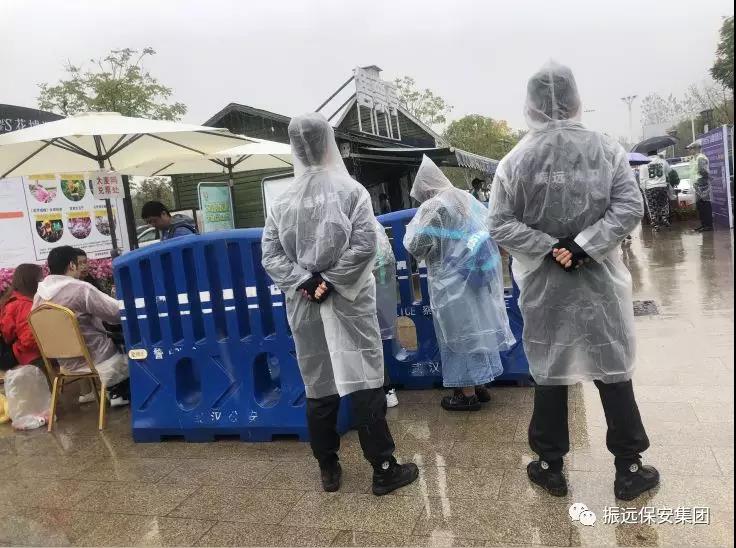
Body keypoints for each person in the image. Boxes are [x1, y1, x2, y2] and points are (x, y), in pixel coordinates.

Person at [487, 61, 658, 501]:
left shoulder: (515, 161)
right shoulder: (606, 150)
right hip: (599, 282)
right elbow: (628, 206)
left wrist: (550, 247)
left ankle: (550, 466)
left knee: (550, 371)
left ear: (530, 106)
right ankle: (629, 468)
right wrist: (583, 246)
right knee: (612, 368)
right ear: (576, 100)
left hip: (545, 286)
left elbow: (499, 223)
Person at [261, 113, 418, 496]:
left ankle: (328, 467)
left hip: (305, 304)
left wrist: (306, 282)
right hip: (349, 300)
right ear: (328, 142)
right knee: (365, 379)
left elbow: (271, 255)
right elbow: (365, 244)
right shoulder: (351, 191)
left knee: (318, 383)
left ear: (295, 148)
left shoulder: (282, 201)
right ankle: (383, 468)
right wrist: (331, 281)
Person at [404, 155, 514, 411]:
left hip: (450, 283)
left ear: (425, 188)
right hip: (476, 278)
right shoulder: (466, 198)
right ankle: (481, 384)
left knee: (457, 335)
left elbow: (417, 245)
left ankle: (466, 394)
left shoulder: (435, 206)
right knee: (477, 330)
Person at [33, 246, 130, 407]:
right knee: (124, 339)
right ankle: (118, 391)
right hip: (96, 358)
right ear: (72, 265)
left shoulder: (39, 297)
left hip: (64, 362)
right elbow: (116, 313)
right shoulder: (80, 289)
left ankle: (112, 391)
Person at [372, 218, 399, 408]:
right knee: (373, 341)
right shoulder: (372, 223)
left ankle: (385, 389)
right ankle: (386, 389)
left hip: (361, 292)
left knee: (369, 342)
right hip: (374, 291)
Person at [1, 264, 43, 369]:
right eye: (41, 279)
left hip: (15, 351)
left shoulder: (12, 300)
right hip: (29, 356)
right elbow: (29, 341)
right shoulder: (25, 305)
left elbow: (7, 334)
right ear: (32, 281)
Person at [638, 150, 671, 230]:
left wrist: (643, 189)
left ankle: (655, 223)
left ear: (647, 153)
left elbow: (642, 179)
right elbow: (668, 171)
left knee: (652, 206)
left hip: (650, 188)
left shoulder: (644, 164)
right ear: (656, 152)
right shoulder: (663, 161)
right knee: (663, 204)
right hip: (662, 186)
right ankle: (664, 217)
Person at [689, 141, 712, 232]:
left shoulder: (701, 158)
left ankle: (708, 225)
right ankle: (703, 224)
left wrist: (706, 179)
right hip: (698, 184)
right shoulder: (695, 158)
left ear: (696, 149)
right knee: (700, 205)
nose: (689, 150)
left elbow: (703, 171)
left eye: (690, 148)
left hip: (702, 183)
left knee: (705, 204)